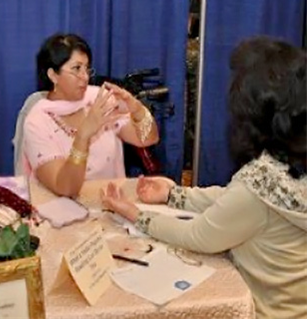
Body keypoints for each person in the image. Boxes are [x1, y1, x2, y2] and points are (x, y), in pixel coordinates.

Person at [101, 36, 307, 319]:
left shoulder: (258, 184)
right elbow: (233, 200)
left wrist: (135, 214)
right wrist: (174, 195)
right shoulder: (289, 163)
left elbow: (198, 235)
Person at [21, 33, 159, 197]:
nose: (85, 77)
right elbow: (65, 188)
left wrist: (136, 108)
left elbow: (147, 139)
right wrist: (83, 136)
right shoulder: (37, 121)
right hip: (60, 207)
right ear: (53, 75)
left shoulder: (98, 99)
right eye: (76, 69)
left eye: (87, 69)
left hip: (112, 201)